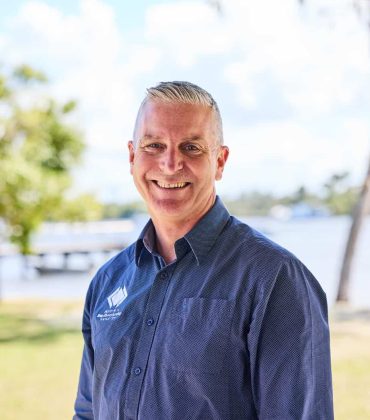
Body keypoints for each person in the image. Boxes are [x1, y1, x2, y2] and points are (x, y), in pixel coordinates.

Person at [73, 81, 334, 419]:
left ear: (220, 161)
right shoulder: (108, 281)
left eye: (191, 148)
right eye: (154, 145)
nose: (170, 164)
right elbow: (89, 411)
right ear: (132, 156)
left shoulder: (274, 279)